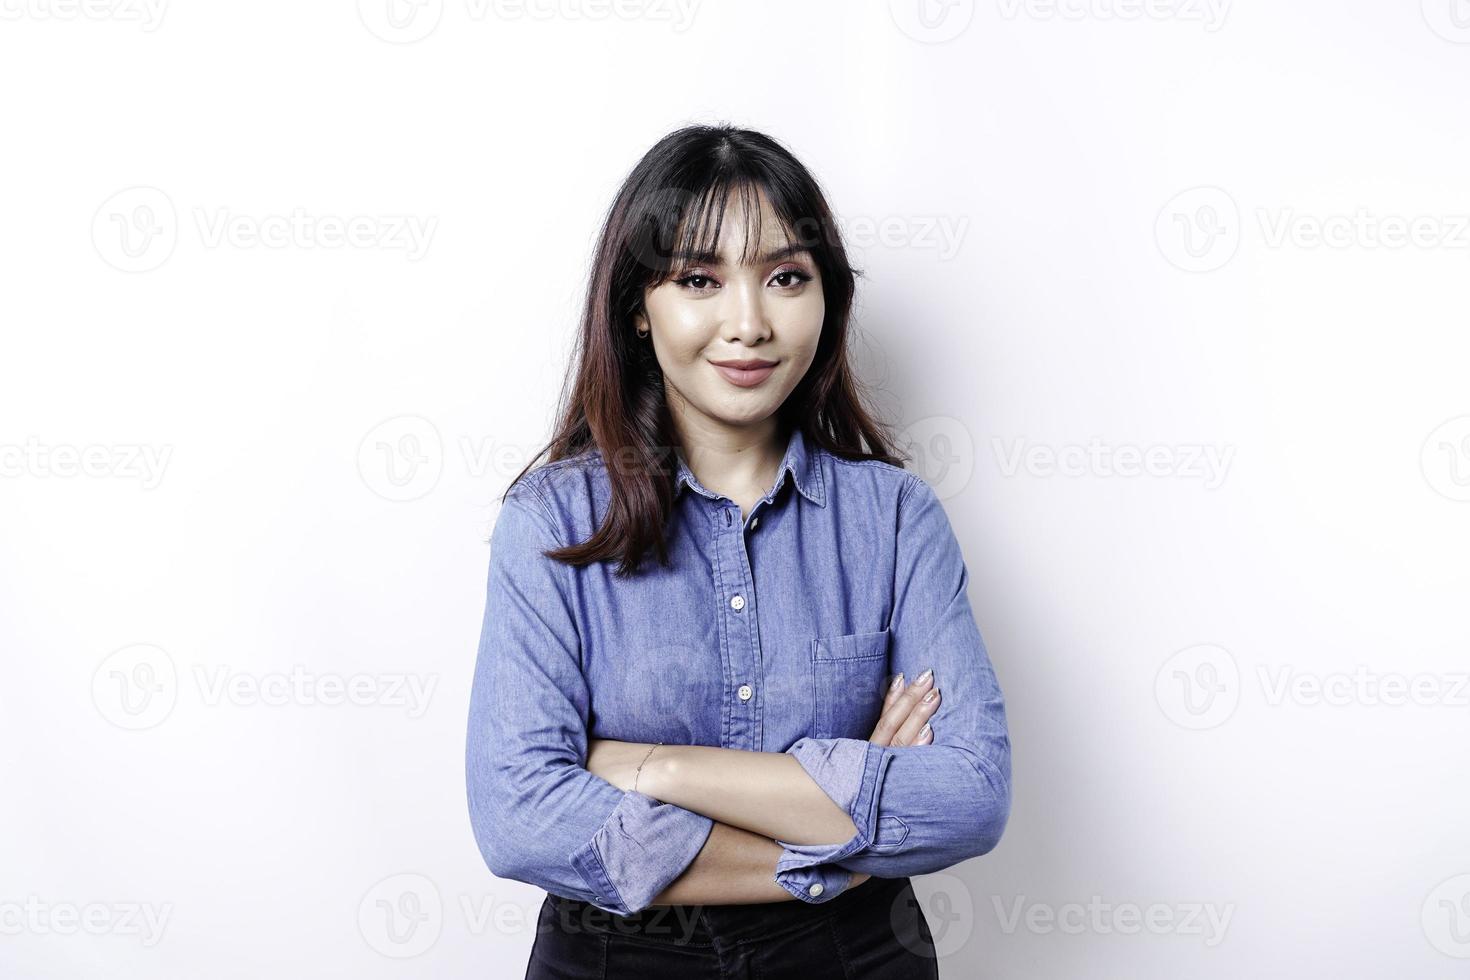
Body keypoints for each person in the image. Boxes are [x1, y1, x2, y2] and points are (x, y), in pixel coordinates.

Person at [464, 123, 1011, 978]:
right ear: (638, 309)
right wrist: (841, 837)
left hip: (853, 957)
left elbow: (970, 798)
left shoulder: (897, 520)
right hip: (615, 956)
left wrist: (655, 769)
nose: (749, 322)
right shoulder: (550, 522)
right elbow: (520, 815)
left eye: (785, 277)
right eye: (698, 279)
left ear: (827, 299)